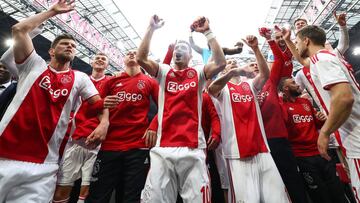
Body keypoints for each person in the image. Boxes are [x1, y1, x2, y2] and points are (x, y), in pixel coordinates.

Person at [0, 1, 109, 202]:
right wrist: (51, 12)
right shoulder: (33, 66)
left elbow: (98, 105)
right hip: (3, 154)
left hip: (43, 168)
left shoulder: (80, 78)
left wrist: (104, 123)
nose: (70, 46)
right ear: (51, 51)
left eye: (74, 46)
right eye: (64, 43)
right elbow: (19, 29)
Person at [136, 15, 226, 202]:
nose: (178, 50)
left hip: (193, 149)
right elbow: (141, 58)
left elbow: (220, 63)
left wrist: (207, 32)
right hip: (163, 149)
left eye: (183, 47)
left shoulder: (198, 72)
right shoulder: (164, 72)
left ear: (190, 56)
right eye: (177, 47)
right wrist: (151, 29)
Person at [208, 36, 289, 203]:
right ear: (223, 71)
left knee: (278, 198)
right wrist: (233, 71)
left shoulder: (250, 84)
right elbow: (211, 88)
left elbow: (265, 74)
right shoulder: (223, 89)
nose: (233, 63)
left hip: (262, 149)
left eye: (234, 63)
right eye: (229, 63)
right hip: (237, 153)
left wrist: (256, 49)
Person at [292, 24, 360, 197]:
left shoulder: (320, 60)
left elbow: (344, 97)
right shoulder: (328, 56)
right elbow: (302, 61)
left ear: (306, 41)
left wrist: (325, 132)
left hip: (356, 139)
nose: (296, 45)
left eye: (297, 41)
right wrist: (286, 40)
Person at [86, 50, 159, 203]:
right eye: (128, 53)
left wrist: (153, 126)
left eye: (135, 52)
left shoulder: (150, 81)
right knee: (98, 195)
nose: (132, 54)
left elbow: (165, 107)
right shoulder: (110, 81)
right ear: (123, 59)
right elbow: (93, 107)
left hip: (138, 147)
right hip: (110, 145)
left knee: (131, 196)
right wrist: (104, 120)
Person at [258, 27, 309, 203]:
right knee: (273, 185)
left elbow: (282, 59)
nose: (259, 68)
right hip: (261, 145)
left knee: (292, 180)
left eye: (263, 66)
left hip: (278, 139)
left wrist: (271, 40)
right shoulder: (247, 90)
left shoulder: (271, 85)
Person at [53, 53, 111, 203]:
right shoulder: (78, 78)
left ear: (107, 66)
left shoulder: (112, 82)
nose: (100, 59)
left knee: (86, 193)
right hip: (75, 138)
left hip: (98, 143)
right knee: (62, 190)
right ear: (91, 62)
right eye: (97, 57)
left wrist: (104, 123)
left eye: (103, 59)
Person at [279, 77, 347, 203]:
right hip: (303, 157)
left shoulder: (305, 102)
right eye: (293, 83)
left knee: (337, 190)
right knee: (319, 195)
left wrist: (321, 119)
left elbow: (317, 124)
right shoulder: (281, 106)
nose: (298, 85)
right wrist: (280, 100)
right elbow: (282, 125)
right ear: (285, 89)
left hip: (322, 152)